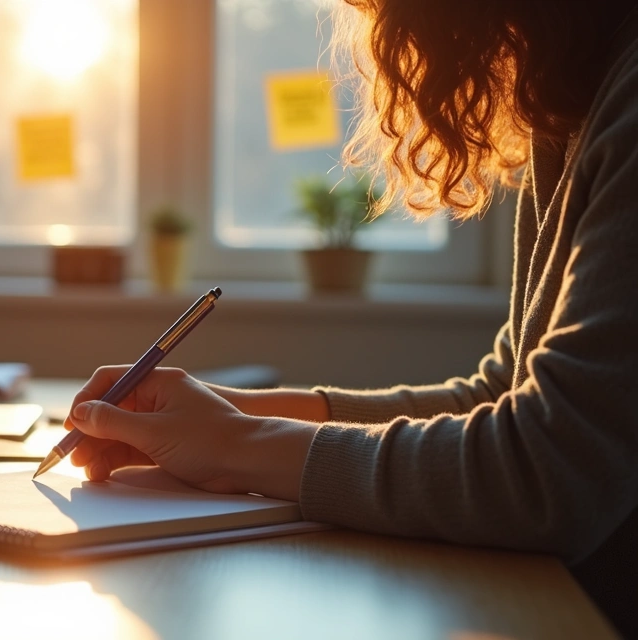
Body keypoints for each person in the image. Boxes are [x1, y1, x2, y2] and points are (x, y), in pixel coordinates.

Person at [65, 0, 638, 633]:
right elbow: (504, 396)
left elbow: (549, 470)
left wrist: (233, 446)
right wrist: (234, 414)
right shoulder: (571, 92)